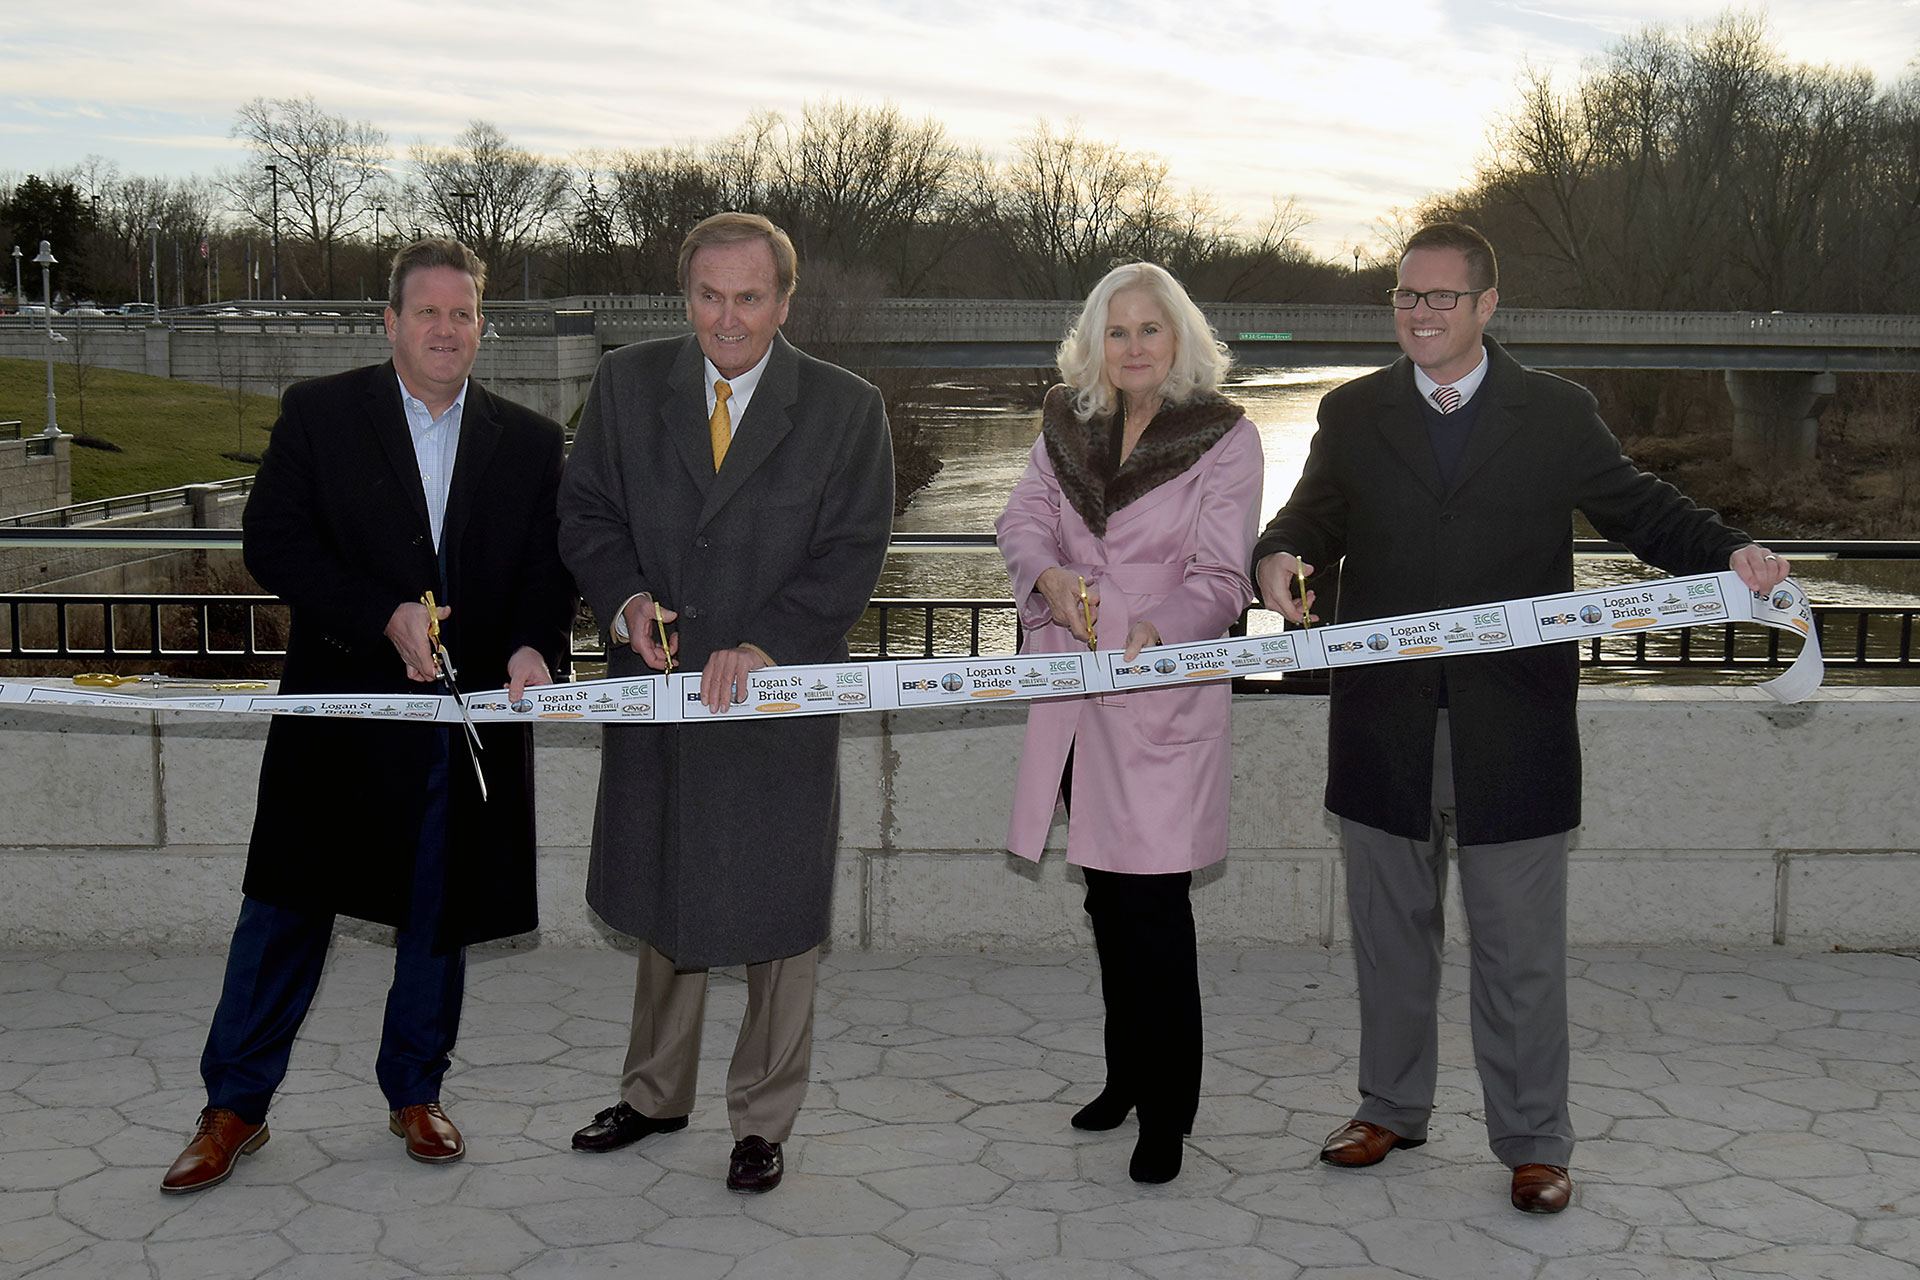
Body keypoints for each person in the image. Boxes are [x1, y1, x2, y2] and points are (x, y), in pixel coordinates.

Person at [1252, 222, 1791, 1213]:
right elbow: (1308, 522)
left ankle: (1535, 1140)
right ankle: (1391, 1105)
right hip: (1383, 724)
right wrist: (1275, 556)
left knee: (1520, 949)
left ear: (1489, 306)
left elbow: (1643, 509)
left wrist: (1734, 556)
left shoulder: (1554, 412)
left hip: (1516, 728)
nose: (1419, 313)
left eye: (1441, 298)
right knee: (1390, 934)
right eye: (1406, 296)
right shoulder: (1352, 412)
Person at [161, 238, 574, 1194]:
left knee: (442, 907)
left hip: (459, 719)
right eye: (426, 312)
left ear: (482, 327)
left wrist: (534, 646)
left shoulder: (527, 438)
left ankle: (415, 1090)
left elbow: (546, 573)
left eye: (462, 314)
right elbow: (274, 542)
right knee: (286, 910)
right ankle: (233, 1108)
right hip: (338, 712)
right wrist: (376, 614)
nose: (445, 329)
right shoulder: (321, 413)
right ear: (389, 323)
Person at [558, 212, 894, 1194]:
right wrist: (623, 600)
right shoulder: (626, 386)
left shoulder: (845, 407)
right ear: (686, 296)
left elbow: (852, 551)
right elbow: (585, 513)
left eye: (751, 297)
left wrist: (767, 643)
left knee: (777, 918)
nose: (729, 318)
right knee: (668, 894)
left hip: (774, 699)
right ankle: (655, 1092)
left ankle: (761, 1117)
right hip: (660, 690)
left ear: (784, 302)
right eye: (711, 295)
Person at [997, 262, 1264, 1184]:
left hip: (1161, 692)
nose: (1135, 346)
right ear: (1094, 342)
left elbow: (1225, 577)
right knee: (1105, 899)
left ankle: (1167, 1111)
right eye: (1119, 332)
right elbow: (1021, 518)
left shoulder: (1227, 438)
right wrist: (1047, 578)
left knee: (1154, 908)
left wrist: (1165, 628)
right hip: (1076, 691)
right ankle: (1122, 1077)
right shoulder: (1063, 424)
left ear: (1181, 338)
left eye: (1151, 330)